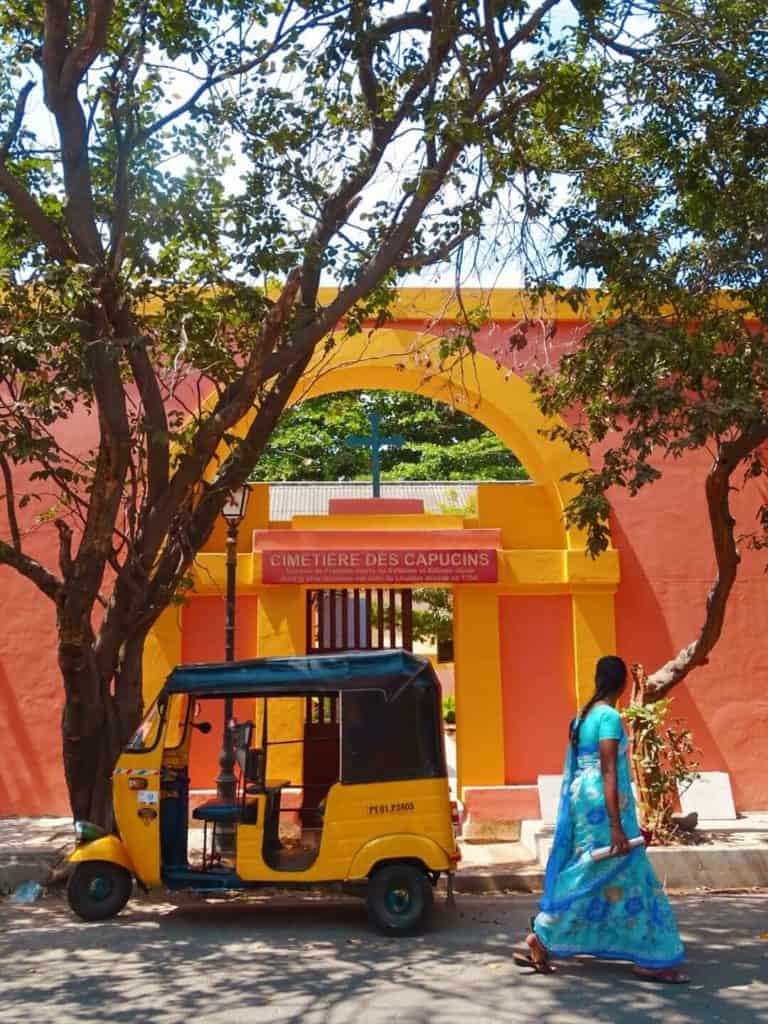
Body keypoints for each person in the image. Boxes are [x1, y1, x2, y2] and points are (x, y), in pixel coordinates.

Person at [518, 655, 688, 983]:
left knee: (591, 871)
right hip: (604, 808)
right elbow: (608, 768)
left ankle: (543, 935)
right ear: (623, 683)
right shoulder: (608, 717)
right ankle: (651, 957)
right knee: (634, 875)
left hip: (585, 802)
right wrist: (615, 826)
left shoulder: (582, 717)